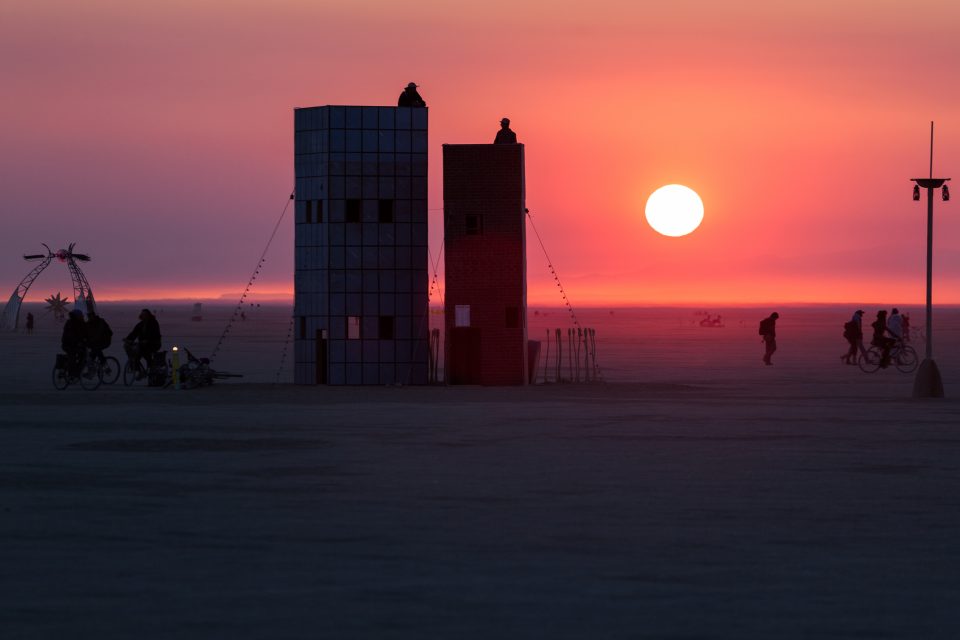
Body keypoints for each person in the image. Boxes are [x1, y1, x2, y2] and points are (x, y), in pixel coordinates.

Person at [124, 308, 162, 376]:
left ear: (148, 315)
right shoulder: (140, 324)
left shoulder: (153, 323)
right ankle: (139, 371)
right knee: (136, 354)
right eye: (142, 314)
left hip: (154, 344)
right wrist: (128, 339)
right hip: (143, 344)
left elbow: (155, 334)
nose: (144, 316)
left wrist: (148, 340)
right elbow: (134, 333)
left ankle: (151, 366)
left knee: (143, 352)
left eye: (145, 314)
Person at [61, 309, 87, 378]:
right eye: (80, 316)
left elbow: (85, 332)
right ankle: (71, 373)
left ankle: (77, 370)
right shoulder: (70, 323)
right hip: (68, 344)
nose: (82, 317)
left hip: (76, 344)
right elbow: (70, 335)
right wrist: (78, 342)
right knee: (72, 356)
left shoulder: (80, 323)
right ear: (77, 316)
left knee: (83, 355)